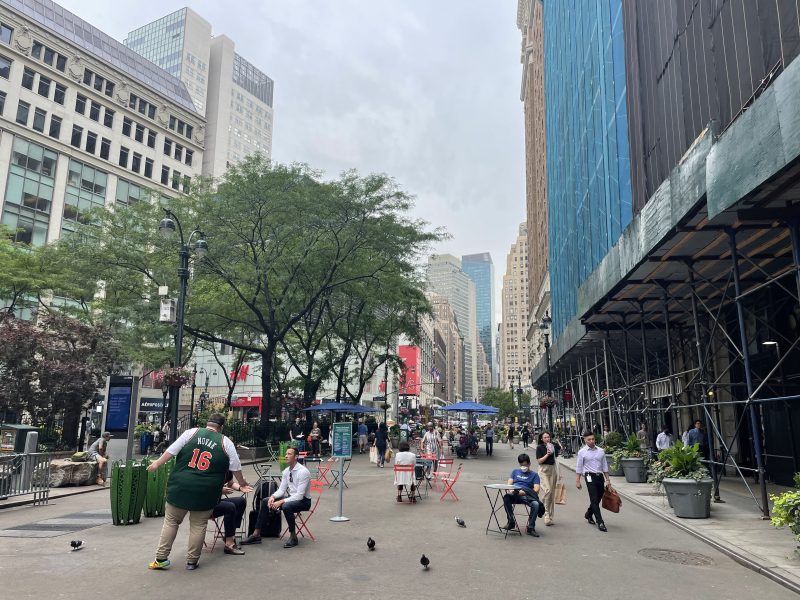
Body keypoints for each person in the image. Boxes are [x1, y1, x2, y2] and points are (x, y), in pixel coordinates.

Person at [147, 413, 253, 570]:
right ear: (221, 427)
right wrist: (242, 484)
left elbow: (171, 451)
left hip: (180, 486)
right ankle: (192, 561)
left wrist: (157, 463)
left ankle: (161, 558)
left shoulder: (191, 433)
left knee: (171, 521)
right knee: (198, 525)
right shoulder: (226, 442)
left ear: (207, 423)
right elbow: (236, 468)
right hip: (206, 491)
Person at [242, 447, 311, 549]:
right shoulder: (286, 471)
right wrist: (273, 496)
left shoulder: (303, 471)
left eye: (289, 454)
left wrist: (281, 501)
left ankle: (293, 536)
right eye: (286, 454)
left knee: (287, 506)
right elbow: (282, 490)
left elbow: (300, 495)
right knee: (266, 501)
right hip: (291, 498)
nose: (286, 456)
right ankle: (256, 534)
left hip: (303, 501)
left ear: (296, 457)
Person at [575, 430, 611, 533]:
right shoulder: (582, 452)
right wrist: (577, 480)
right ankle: (600, 522)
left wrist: (608, 480)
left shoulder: (601, 451)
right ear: (584, 440)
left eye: (593, 439)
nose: (591, 441)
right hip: (589, 476)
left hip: (600, 476)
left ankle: (589, 514)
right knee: (594, 498)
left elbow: (604, 466)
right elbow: (579, 467)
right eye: (589, 439)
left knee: (598, 498)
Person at [502, 453, 542, 537]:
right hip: (515, 494)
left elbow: (536, 490)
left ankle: (531, 527)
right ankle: (511, 521)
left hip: (526, 495)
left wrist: (522, 492)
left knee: (536, 504)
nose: (523, 467)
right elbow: (509, 484)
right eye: (521, 465)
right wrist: (512, 490)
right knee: (506, 497)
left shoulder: (534, 475)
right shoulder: (515, 472)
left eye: (525, 465)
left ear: (529, 464)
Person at [211, 471, 247, 555]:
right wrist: (220, 490)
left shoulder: (227, 469)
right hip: (208, 505)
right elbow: (205, 487)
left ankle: (230, 535)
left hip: (217, 501)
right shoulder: (211, 469)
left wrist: (240, 488)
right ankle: (229, 545)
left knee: (241, 501)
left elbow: (231, 483)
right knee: (230, 507)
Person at [535, 431, 561, 526]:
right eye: (545, 437)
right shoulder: (539, 447)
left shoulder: (552, 445)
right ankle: (545, 512)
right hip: (543, 470)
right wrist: (547, 454)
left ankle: (549, 516)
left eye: (548, 437)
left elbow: (557, 457)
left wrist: (557, 443)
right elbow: (539, 461)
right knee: (548, 491)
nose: (547, 439)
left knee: (552, 494)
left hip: (553, 469)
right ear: (541, 439)